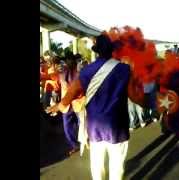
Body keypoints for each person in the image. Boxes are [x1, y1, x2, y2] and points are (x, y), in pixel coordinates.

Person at [46, 34, 131, 180]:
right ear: (112, 50)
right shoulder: (124, 69)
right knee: (116, 167)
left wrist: (58, 106)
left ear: (97, 51)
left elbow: (71, 92)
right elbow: (137, 96)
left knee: (97, 166)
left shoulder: (86, 71)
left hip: (95, 127)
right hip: (117, 126)